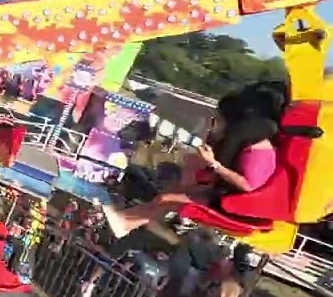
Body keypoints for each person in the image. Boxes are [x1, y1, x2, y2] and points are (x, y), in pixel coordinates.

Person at [102, 82, 286, 238]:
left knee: (168, 199)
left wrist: (215, 164)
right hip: (226, 193)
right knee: (166, 195)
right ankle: (124, 219)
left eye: (219, 122)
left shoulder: (258, 151)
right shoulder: (244, 144)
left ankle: (125, 225)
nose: (215, 126)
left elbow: (249, 186)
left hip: (238, 204)